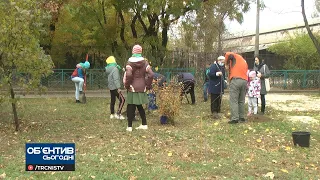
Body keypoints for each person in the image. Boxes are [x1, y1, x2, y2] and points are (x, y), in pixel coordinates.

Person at [123, 44, 154, 132]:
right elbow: (151, 74)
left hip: (132, 87)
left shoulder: (130, 63)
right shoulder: (145, 63)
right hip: (142, 86)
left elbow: (128, 74)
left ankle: (129, 127)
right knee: (139, 105)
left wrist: (127, 85)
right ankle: (144, 124)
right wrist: (147, 85)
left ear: (133, 51)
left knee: (130, 106)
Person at [224, 52, 248, 124]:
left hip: (236, 80)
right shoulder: (244, 61)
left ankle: (235, 118)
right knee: (241, 100)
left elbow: (228, 54)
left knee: (233, 100)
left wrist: (226, 64)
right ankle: (242, 117)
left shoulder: (235, 56)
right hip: (244, 81)